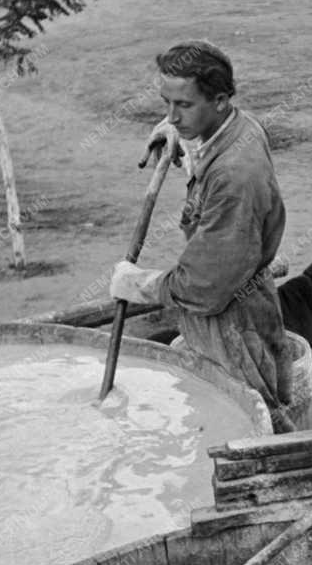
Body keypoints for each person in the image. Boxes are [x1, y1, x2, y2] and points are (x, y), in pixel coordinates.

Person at [110, 40, 294, 431]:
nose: (171, 115)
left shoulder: (234, 176)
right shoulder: (238, 128)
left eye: (184, 105)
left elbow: (203, 287)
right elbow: (208, 140)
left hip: (234, 328)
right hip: (237, 306)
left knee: (253, 430)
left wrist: (137, 284)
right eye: (166, 103)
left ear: (221, 100)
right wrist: (182, 136)